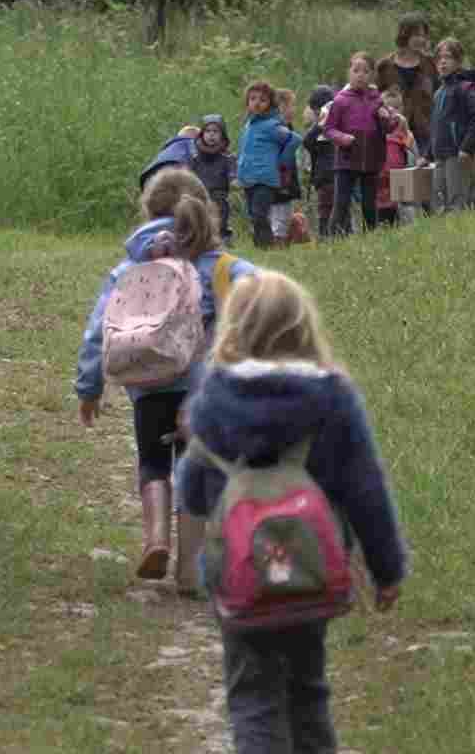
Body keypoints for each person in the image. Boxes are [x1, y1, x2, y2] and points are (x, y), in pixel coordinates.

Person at [176, 270, 408, 754]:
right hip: (309, 571)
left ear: (234, 330)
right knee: (308, 689)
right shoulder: (332, 398)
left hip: (238, 576)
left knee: (252, 695)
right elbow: (365, 490)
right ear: (304, 328)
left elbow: (193, 487)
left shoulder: (215, 397)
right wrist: (387, 570)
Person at [75, 168, 257, 581]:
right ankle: (189, 571)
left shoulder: (129, 269)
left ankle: (156, 539)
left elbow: (97, 331)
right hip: (204, 391)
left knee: (153, 464)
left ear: (148, 211)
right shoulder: (223, 267)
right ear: (204, 212)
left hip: (149, 387)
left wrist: (90, 387)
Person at [324, 53, 399, 236]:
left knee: (369, 203)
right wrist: (343, 138)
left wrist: (388, 119)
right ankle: (333, 237)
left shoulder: (377, 100)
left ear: (372, 75)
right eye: (356, 70)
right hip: (347, 160)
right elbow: (328, 129)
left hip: (371, 160)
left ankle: (370, 236)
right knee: (341, 202)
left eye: (365, 71)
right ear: (349, 73)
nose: (360, 75)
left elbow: (388, 129)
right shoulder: (340, 101)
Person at [427, 38, 475, 214]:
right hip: (439, 154)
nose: (443, 62)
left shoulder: (465, 88)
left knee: (456, 199)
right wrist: (427, 154)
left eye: (448, 57)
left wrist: (466, 148)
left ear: (459, 61)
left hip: (457, 153)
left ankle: (460, 235)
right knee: (438, 197)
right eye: (439, 58)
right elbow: (436, 127)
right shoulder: (439, 93)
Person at [237, 81, 300, 249]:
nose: (256, 103)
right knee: (253, 215)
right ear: (247, 102)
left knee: (260, 214)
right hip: (249, 178)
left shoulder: (272, 125)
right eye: (252, 99)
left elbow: (294, 139)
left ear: (270, 103)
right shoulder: (249, 124)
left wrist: (282, 161)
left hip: (265, 178)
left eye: (262, 100)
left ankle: (267, 247)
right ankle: (260, 247)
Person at [375, 13, 436, 160]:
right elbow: (374, 99)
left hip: (425, 134)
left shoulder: (431, 64)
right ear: (404, 34)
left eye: (423, 35)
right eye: (416, 35)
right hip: (394, 134)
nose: (421, 39)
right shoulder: (384, 66)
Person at [187, 114, 238, 244]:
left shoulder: (227, 157)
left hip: (219, 195)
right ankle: (198, 239)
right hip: (198, 194)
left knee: (220, 217)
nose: (211, 135)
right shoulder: (195, 157)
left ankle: (223, 238)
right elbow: (188, 174)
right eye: (208, 131)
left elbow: (233, 172)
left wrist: (234, 179)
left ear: (222, 134)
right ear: (202, 134)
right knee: (197, 217)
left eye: (215, 131)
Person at [374, 87, 415, 227]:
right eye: (388, 107)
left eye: (396, 107)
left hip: (401, 173)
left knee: (405, 204)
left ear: (402, 108)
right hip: (380, 175)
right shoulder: (377, 128)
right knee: (382, 207)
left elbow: (411, 153)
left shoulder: (405, 130)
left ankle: (408, 229)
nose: (393, 112)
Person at [301, 85, 337, 238]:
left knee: (330, 208)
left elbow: (308, 142)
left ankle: (330, 236)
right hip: (325, 176)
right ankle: (329, 236)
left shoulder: (332, 125)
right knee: (328, 208)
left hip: (330, 174)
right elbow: (308, 143)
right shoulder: (322, 126)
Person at [268, 89, 301, 246]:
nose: (293, 110)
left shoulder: (288, 129)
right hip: (279, 184)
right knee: (279, 220)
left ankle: (280, 244)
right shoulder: (277, 132)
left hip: (285, 183)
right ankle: (277, 247)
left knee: (283, 219)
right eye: (291, 106)